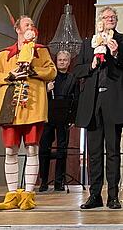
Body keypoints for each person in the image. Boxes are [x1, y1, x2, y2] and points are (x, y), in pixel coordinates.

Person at [74, 6, 123, 210]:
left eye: (113, 17)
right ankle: (95, 195)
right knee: (93, 153)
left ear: (116, 21)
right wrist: (92, 65)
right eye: (106, 17)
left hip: (114, 102)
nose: (109, 19)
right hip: (92, 102)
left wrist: (116, 53)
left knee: (113, 151)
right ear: (99, 21)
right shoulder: (88, 44)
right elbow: (77, 70)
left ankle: (113, 196)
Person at [0, 15, 56, 211]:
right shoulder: (4, 54)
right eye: (27, 24)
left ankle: (28, 195)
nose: (31, 27)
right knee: (10, 150)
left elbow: (51, 72)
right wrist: (10, 76)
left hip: (33, 107)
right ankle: (11, 196)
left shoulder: (41, 51)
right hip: (11, 107)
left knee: (32, 149)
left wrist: (34, 71)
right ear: (18, 29)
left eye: (33, 25)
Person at [39, 50, 80, 192]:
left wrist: (73, 118)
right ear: (56, 62)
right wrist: (47, 89)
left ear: (69, 62)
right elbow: (40, 96)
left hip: (64, 117)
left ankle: (59, 181)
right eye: (60, 60)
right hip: (48, 116)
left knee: (62, 150)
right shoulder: (50, 77)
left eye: (64, 60)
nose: (62, 62)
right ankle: (43, 181)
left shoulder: (73, 78)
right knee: (44, 148)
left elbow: (76, 99)